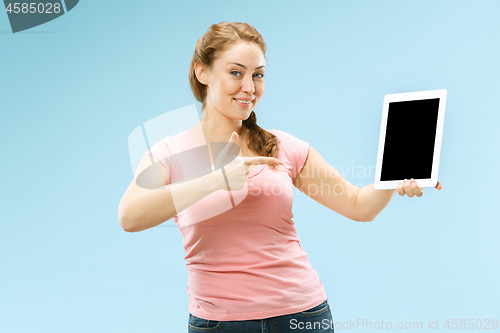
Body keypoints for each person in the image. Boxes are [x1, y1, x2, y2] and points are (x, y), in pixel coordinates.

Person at [118, 21, 442, 333]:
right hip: (217, 323)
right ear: (202, 72)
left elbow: (358, 206)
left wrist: (391, 181)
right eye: (235, 73)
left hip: (302, 315)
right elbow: (130, 216)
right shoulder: (171, 151)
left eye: (257, 75)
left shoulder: (283, 146)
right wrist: (215, 179)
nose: (249, 87)